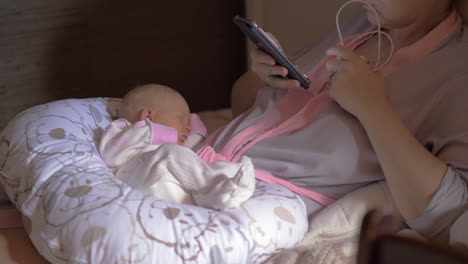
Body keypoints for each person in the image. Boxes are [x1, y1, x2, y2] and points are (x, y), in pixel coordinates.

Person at [198, 0, 468, 239]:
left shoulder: (457, 70)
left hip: (257, 204)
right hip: (202, 166)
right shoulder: (360, 24)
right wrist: (263, 77)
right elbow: (242, 106)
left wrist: (373, 110)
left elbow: (450, 215)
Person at [99, 84, 255, 210]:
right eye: (182, 119)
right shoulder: (125, 130)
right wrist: (156, 130)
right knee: (171, 152)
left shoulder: (176, 152)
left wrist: (194, 135)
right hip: (142, 183)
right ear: (147, 116)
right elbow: (111, 156)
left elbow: (188, 160)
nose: (188, 127)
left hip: (174, 196)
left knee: (221, 167)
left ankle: (228, 189)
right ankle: (215, 191)